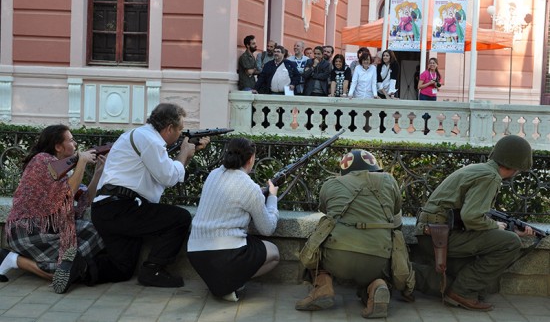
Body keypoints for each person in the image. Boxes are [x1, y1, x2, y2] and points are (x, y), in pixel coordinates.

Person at [91, 103, 210, 289]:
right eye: (180, 129)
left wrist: (187, 155)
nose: (180, 134)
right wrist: (184, 152)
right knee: (180, 218)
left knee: (121, 269)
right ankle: (153, 269)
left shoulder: (140, 135)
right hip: (122, 208)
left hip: (107, 210)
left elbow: (166, 175)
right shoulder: (150, 141)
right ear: (169, 128)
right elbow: (170, 177)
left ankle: (75, 268)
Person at [414, 135, 534, 312]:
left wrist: (508, 229)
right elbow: (471, 217)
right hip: (439, 236)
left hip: (433, 232)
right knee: (510, 243)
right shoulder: (491, 177)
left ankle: (403, 275)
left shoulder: (480, 169)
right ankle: (461, 292)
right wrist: (497, 227)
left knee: (479, 285)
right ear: (517, 166)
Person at [0, 124, 112, 293]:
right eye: (71, 140)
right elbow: (68, 193)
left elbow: (84, 199)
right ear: (58, 146)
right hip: (27, 230)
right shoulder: (41, 160)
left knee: (92, 231)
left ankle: (65, 267)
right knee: (69, 268)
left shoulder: (62, 169)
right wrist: (81, 162)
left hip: (49, 229)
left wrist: (98, 172)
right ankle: (14, 260)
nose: (75, 145)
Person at [295, 150, 403, 319]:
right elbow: (397, 221)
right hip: (378, 259)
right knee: (377, 272)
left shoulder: (330, 184)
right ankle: (377, 286)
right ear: (373, 167)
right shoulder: (389, 180)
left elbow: (326, 211)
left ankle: (323, 287)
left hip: (336, 258)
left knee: (319, 239)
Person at [187, 138, 280, 302]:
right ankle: (231, 284)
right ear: (251, 159)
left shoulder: (214, 174)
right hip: (227, 254)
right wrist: (272, 197)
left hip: (195, 252)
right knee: (274, 253)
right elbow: (267, 228)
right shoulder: (249, 187)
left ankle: (223, 283)